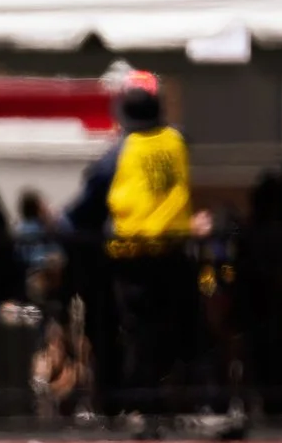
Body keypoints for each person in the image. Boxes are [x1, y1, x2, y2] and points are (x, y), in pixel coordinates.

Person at [70, 84, 198, 424]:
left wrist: (61, 222)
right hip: (174, 252)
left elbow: (86, 203)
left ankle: (140, 404)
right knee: (172, 330)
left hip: (133, 257)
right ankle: (175, 401)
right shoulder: (177, 141)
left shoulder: (120, 152)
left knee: (138, 332)